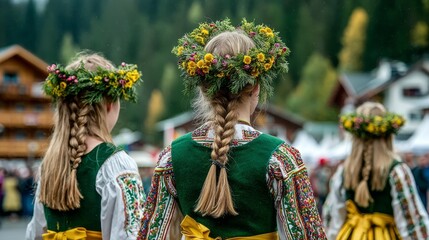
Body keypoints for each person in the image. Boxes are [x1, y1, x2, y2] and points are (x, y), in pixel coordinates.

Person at [138, 18, 327, 239]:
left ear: (203, 89)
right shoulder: (282, 159)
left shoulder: (170, 158)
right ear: (256, 87)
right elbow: (308, 235)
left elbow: (150, 235)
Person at [25, 53, 146, 240]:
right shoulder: (116, 164)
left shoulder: (49, 165)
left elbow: (34, 234)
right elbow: (130, 235)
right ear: (108, 104)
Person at [323, 102, 429, 240]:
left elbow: (333, 218)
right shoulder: (397, 171)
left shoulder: (344, 171)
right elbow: (411, 221)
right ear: (387, 136)